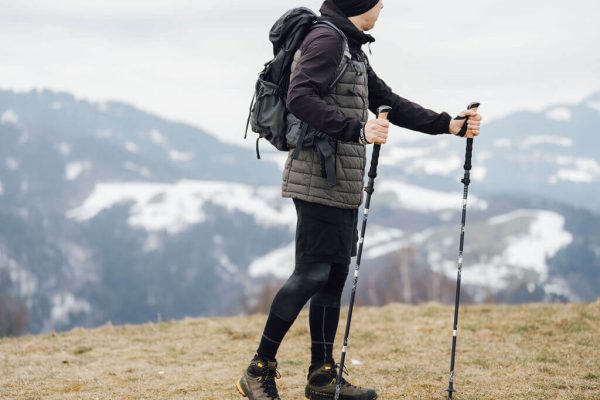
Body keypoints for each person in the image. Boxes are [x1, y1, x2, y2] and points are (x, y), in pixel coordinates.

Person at [236, 0, 482, 399]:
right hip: (318, 175)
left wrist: (447, 125)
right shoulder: (327, 41)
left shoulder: (350, 47)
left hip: (341, 180)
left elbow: (389, 102)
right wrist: (356, 130)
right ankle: (258, 368)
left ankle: (321, 376)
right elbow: (299, 95)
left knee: (332, 278)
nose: (383, 5)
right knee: (312, 274)